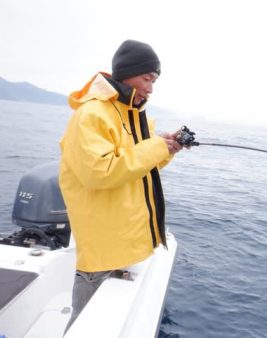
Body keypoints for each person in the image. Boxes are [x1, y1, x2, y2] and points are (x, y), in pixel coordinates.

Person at [59, 39, 183, 332]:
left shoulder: (133, 115)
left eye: (153, 81)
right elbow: (101, 172)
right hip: (102, 249)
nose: (150, 88)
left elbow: (138, 166)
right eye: (147, 78)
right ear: (128, 73)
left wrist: (167, 149)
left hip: (123, 244)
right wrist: (156, 147)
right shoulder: (91, 115)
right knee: (84, 327)